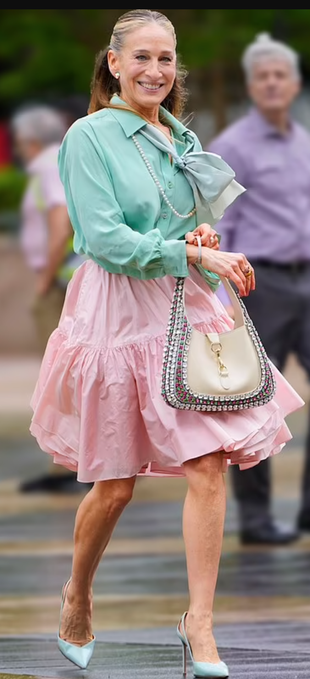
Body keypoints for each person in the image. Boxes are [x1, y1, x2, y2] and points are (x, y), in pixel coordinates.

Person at [28, 10, 303, 675]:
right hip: (117, 314)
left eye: (166, 59)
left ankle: (199, 622)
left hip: (182, 303)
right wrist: (193, 254)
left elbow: (183, 226)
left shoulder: (178, 135)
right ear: (115, 63)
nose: (156, 70)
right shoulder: (89, 136)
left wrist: (205, 244)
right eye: (143, 58)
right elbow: (101, 241)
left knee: (208, 462)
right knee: (115, 486)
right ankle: (78, 594)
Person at [206, 32, 310, 546]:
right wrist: (224, 298)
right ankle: (255, 520)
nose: (272, 83)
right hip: (256, 284)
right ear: (252, 85)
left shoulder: (304, 141)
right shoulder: (232, 146)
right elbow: (221, 222)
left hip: (307, 279)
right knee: (254, 398)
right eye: (262, 76)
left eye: (280, 75)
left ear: (294, 84)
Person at [10, 104, 90, 494]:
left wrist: (44, 280)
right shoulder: (56, 160)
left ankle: (69, 466)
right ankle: (72, 462)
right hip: (66, 279)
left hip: (62, 284)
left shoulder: (46, 165)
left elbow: (60, 223)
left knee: (62, 376)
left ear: (29, 140)